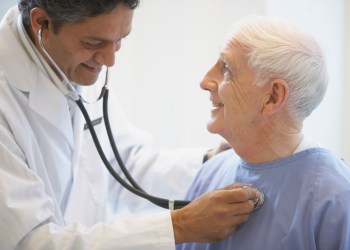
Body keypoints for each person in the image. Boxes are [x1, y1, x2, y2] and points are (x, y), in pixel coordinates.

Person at [0, 1, 261, 249]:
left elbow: (124, 166)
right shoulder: (6, 98)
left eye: (120, 40)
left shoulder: (67, 67)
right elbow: (30, 242)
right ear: (42, 22)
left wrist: (208, 163)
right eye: (93, 43)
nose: (109, 60)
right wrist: (179, 226)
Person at [176, 16, 350, 250]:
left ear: (273, 97)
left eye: (226, 68)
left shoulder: (337, 197)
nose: (205, 81)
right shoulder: (208, 175)